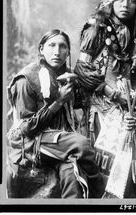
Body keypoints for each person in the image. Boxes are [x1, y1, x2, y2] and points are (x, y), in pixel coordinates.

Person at [74, 0, 136, 198]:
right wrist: (112, 94)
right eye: (119, 0)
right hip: (99, 102)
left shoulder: (133, 36)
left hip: (125, 103)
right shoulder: (96, 27)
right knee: (106, 155)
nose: (125, 5)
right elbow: (82, 69)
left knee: (129, 154)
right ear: (110, 2)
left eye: (131, 1)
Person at [6, 29, 106, 198]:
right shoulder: (26, 79)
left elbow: (85, 101)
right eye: (52, 45)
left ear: (68, 52)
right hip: (32, 141)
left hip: (58, 141)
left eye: (62, 46)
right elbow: (26, 128)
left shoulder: (67, 74)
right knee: (81, 145)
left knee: (71, 171)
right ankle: (103, 193)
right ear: (41, 49)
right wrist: (58, 101)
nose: (57, 51)